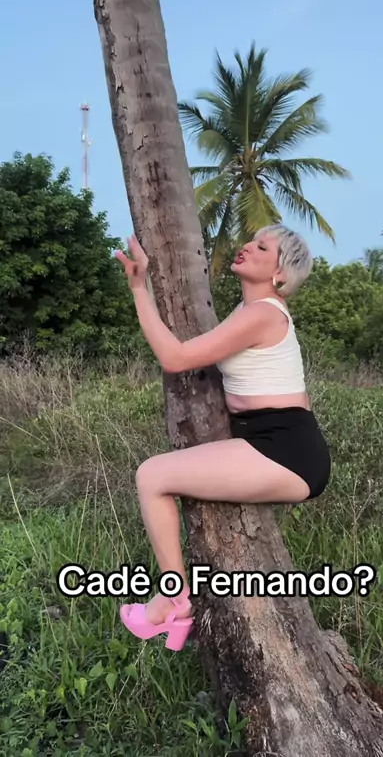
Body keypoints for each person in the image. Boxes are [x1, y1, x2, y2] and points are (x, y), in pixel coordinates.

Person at [114, 224, 331, 650]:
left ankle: (173, 602)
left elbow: (175, 357)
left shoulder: (264, 314)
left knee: (152, 476)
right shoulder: (245, 311)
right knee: (155, 476)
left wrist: (139, 288)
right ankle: (175, 602)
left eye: (262, 246)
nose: (246, 246)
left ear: (280, 273)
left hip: (288, 449)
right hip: (267, 440)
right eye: (251, 240)